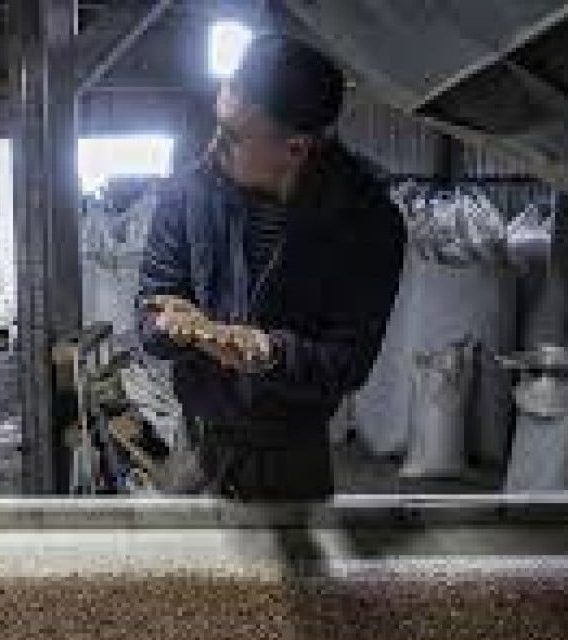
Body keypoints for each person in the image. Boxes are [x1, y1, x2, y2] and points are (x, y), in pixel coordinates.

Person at [138, 35, 405, 502]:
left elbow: (348, 362)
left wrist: (268, 354)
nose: (214, 143)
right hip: (196, 445)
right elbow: (151, 308)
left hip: (293, 455)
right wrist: (170, 327)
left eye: (235, 135)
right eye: (219, 122)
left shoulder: (367, 222)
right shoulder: (187, 193)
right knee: (180, 572)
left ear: (297, 148)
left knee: (295, 577)